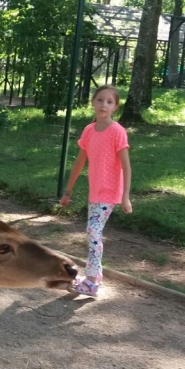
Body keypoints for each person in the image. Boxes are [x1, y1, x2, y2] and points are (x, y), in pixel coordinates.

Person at [59, 85, 132, 297]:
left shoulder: (117, 132)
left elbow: (126, 166)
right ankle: (93, 277)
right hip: (95, 192)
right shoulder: (89, 131)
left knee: (93, 232)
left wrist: (125, 196)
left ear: (115, 107)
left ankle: (91, 282)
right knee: (93, 232)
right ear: (93, 102)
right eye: (100, 100)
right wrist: (68, 191)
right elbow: (79, 162)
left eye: (109, 102)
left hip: (110, 192)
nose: (103, 105)